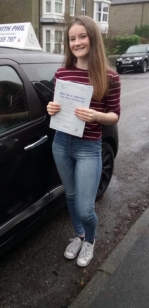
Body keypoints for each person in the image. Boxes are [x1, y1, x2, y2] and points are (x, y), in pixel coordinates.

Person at [47, 16, 121, 267]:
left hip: (89, 148)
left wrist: (96, 115)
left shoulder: (109, 77)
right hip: (61, 143)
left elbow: (114, 115)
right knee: (70, 196)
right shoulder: (61, 72)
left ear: (92, 38)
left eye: (82, 36)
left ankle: (90, 239)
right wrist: (51, 108)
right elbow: (56, 107)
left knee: (85, 207)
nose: (76, 42)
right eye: (72, 38)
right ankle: (79, 234)